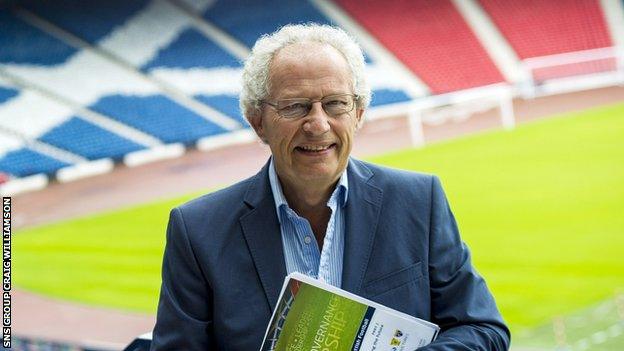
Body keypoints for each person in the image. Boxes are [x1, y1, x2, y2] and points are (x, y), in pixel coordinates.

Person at [151, 23, 510, 350]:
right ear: (257, 121)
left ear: (359, 112)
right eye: (295, 106)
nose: (318, 124)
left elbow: (483, 329)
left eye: (336, 103)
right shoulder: (197, 230)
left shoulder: (418, 201)